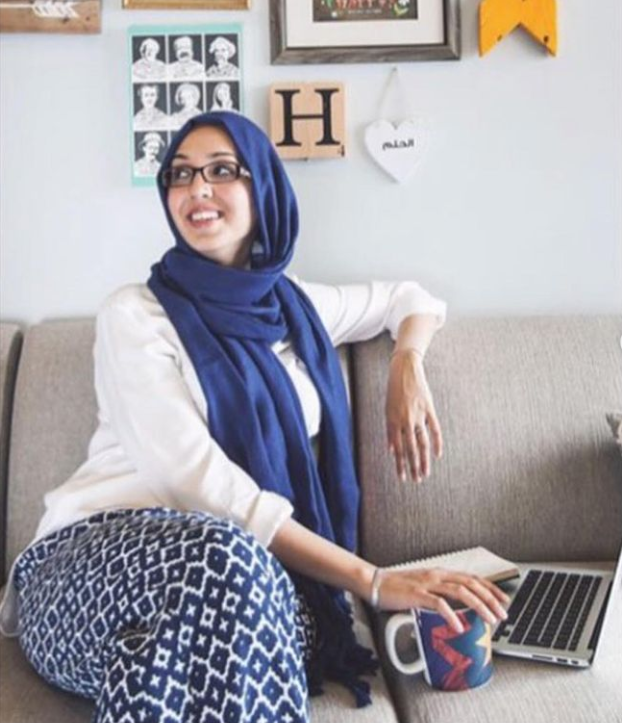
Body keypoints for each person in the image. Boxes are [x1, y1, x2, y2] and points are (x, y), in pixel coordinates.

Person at [0, 112, 509, 723]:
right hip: (92, 571)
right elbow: (202, 489)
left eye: (221, 170)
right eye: (181, 175)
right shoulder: (136, 316)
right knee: (230, 556)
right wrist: (371, 583)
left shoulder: (297, 308)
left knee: (243, 603)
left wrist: (407, 361)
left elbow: (413, 300)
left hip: (242, 590)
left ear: (262, 185)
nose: (197, 189)